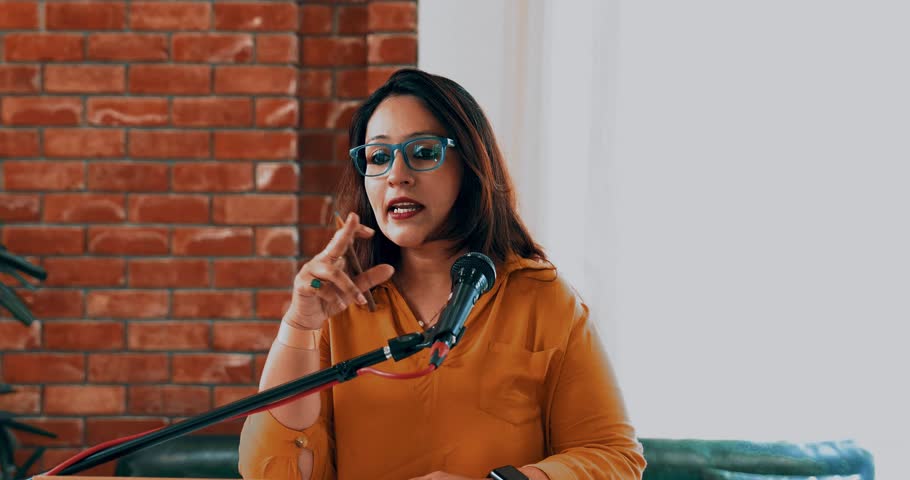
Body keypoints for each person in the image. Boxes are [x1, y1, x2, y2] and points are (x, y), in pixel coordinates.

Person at [238, 69, 646, 480]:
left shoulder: (543, 298)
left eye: (424, 152)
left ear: (469, 165)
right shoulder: (334, 310)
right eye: (379, 157)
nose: (396, 174)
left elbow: (613, 457)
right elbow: (275, 472)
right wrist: (298, 326)